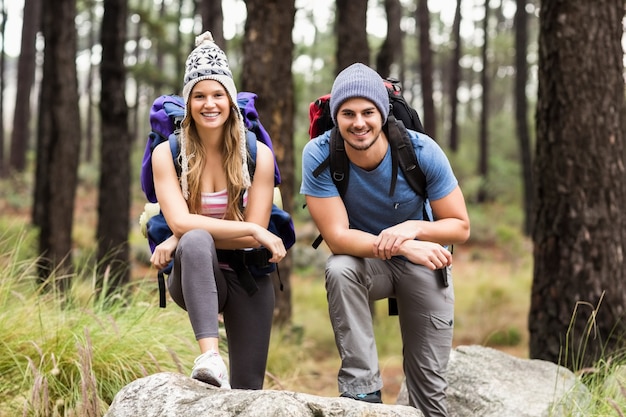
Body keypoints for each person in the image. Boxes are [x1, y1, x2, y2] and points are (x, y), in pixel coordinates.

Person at [300, 63, 470, 417]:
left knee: (429, 397)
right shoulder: (319, 154)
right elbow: (337, 238)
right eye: (347, 113)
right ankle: (362, 393)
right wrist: (400, 244)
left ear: (383, 113)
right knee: (340, 268)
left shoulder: (420, 150)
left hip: (424, 265)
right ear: (336, 116)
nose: (358, 122)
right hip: (367, 264)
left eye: (368, 112)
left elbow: (459, 227)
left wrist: (412, 230)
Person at [150, 31, 286, 390]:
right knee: (194, 240)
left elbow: (247, 242)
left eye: (217, 94)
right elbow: (183, 222)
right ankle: (209, 357)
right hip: (193, 274)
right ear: (188, 101)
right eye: (199, 96)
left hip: (248, 276)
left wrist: (179, 236)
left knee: (247, 391)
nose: (209, 104)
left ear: (230, 99)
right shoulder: (167, 154)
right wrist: (251, 230)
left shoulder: (258, 155)